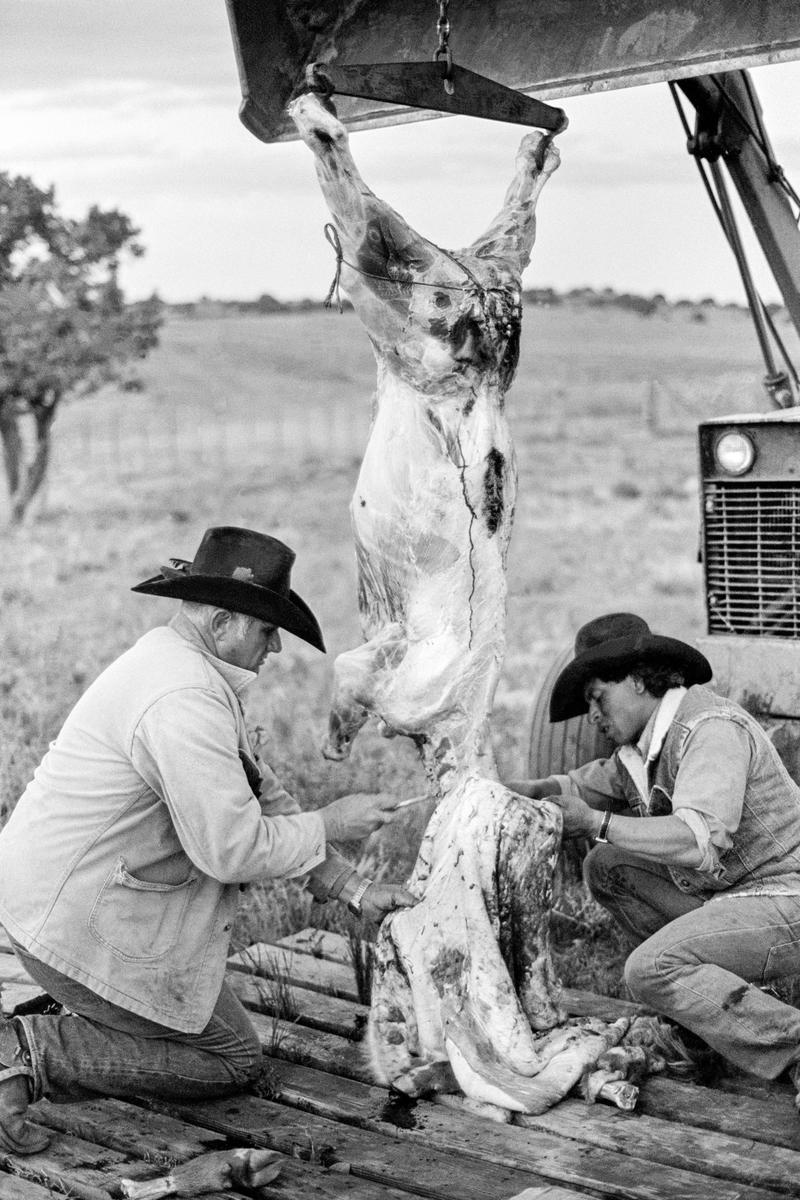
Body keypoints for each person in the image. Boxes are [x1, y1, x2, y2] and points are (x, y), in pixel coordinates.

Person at [0, 525, 415, 1154]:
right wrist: (331, 823)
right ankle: (23, 1052)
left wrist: (351, 888)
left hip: (71, 903)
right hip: (69, 921)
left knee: (209, 1034)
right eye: (267, 628)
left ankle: (67, 1015)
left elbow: (257, 788)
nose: (276, 646)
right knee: (229, 1061)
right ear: (224, 621)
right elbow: (229, 849)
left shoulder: (184, 667)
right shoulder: (183, 697)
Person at [511, 611, 800, 1099]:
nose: (594, 718)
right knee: (607, 867)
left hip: (785, 901)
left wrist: (597, 824)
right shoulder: (639, 749)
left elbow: (696, 839)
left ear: (640, 681)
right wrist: (518, 791)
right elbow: (585, 784)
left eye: (597, 699)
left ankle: (791, 1042)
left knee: (649, 970)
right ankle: (707, 1018)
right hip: (732, 900)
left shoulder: (710, 729)